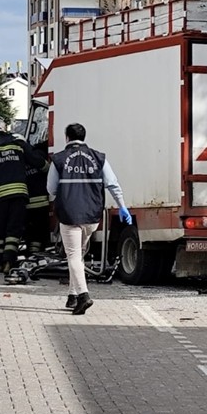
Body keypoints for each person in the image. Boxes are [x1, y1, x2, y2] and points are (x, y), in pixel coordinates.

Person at [48, 123, 131, 315]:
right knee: (78, 254)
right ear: (84, 137)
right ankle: (72, 295)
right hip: (92, 216)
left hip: (69, 215)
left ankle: (84, 296)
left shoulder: (59, 159)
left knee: (74, 256)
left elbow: (51, 189)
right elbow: (112, 184)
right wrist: (122, 206)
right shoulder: (98, 157)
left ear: (67, 137)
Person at [0, 120, 46, 279]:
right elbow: (40, 163)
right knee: (13, 230)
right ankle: (9, 261)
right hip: (20, 195)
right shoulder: (19, 146)